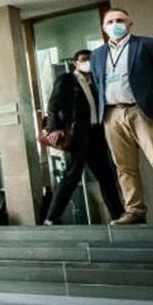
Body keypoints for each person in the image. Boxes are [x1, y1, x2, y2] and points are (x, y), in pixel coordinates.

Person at [90, 8, 153, 225]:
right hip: (112, 115)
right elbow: (98, 84)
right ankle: (135, 211)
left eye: (120, 20)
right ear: (103, 27)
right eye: (110, 21)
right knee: (124, 167)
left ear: (130, 24)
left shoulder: (148, 45)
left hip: (142, 111)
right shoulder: (97, 54)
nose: (115, 24)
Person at [41, 50, 126, 225]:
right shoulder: (67, 79)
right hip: (77, 136)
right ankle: (50, 218)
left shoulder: (96, 82)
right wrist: (53, 129)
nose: (88, 62)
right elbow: (53, 105)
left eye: (90, 60)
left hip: (96, 136)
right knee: (71, 176)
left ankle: (119, 216)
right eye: (84, 60)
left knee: (107, 177)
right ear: (75, 63)